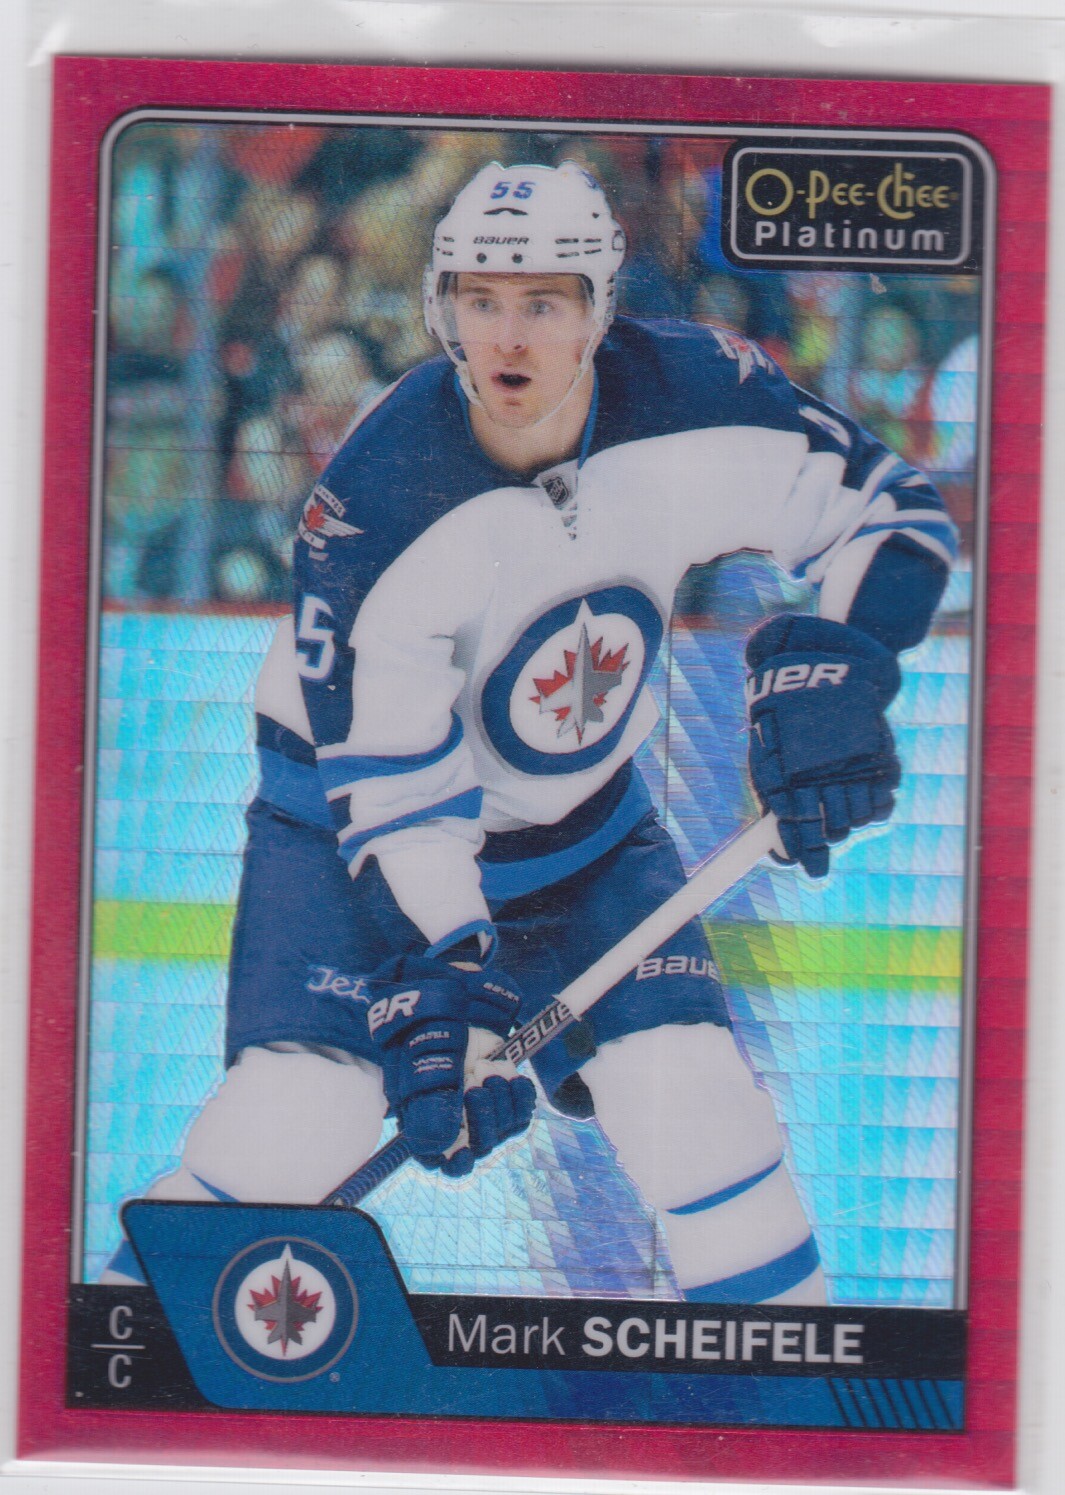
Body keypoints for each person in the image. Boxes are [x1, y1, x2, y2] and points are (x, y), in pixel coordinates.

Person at [104, 161, 956, 1306]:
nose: (509, 336)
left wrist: (836, 673)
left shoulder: (692, 394)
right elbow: (395, 802)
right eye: (482, 300)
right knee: (300, 1119)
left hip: (582, 831)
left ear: (600, 310)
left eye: (544, 302)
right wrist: (447, 998)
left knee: (701, 1109)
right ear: (440, 310)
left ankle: (790, 1392)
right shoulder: (383, 504)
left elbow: (889, 508)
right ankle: (121, 1334)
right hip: (348, 835)